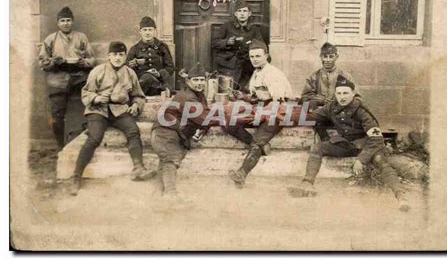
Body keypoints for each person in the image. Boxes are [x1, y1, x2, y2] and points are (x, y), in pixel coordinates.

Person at [288, 75, 410, 212]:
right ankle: (307, 183)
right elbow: (313, 116)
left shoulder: (362, 111)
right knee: (318, 147)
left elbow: (376, 139)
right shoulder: (332, 107)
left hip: (367, 146)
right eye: (339, 93)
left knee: (381, 161)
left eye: (345, 93)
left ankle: (401, 196)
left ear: (353, 94)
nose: (342, 97)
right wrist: (286, 114)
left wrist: (362, 160)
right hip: (348, 145)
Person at [68, 41, 155, 196]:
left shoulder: (130, 73)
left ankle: (138, 168)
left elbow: (138, 96)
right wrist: (96, 98)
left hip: (119, 110)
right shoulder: (98, 71)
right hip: (98, 110)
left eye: (121, 55)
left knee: (133, 131)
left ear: (125, 56)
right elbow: (86, 93)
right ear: (109, 56)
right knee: (94, 138)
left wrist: (136, 105)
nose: (118, 58)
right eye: (114, 54)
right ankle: (76, 176)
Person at [227, 39, 293, 188]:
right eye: (252, 57)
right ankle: (262, 147)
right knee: (229, 122)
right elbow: (258, 96)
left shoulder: (272, 74)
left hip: (277, 113)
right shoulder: (257, 72)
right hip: (262, 108)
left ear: (266, 56)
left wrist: (259, 114)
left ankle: (242, 173)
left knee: (257, 140)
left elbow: (277, 101)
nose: (254, 60)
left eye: (258, 56)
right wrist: (243, 97)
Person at [150, 63, 219, 197]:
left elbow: (203, 114)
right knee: (171, 159)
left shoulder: (198, 94)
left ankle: (159, 192)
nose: (199, 83)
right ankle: (170, 193)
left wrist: (203, 129)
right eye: (195, 80)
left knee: (167, 161)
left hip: (172, 131)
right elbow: (205, 118)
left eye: (202, 80)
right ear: (188, 81)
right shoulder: (188, 96)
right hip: (164, 132)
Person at [38, 6, 96, 149]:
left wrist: (85, 62)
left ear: (72, 22)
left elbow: (92, 59)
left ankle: (86, 143)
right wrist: (53, 62)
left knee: (91, 107)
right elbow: (42, 62)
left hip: (79, 77)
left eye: (68, 20)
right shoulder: (50, 39)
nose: (66, 23)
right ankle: (60, 146)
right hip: (57, 79)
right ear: (58, 23)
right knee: (57, 116)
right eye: (62, 21)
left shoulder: (81, 37)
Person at [211, 0, 264, 90]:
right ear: (235, 14)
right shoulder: (226, 26)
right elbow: (214, 42)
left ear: (249, 13)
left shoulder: (254, 29)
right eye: (239, 11)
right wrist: (228, 42)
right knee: (228, 88)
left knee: (245, 89)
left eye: (245, 11)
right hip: (228, 63)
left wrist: (251, 45)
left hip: (247, 63)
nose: (242, 14)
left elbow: (261, 45)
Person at [127, 16, 175, 96]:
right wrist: (134, 64)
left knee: (149, 79)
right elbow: (127, 69)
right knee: (146, 78)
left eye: (150, 30)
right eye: (144, 30)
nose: (147, 33)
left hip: (159, 83)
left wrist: (159, 74)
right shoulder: (135, 49)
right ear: (140, 32)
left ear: (155, 31)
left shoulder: (162, 47)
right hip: (141, 84)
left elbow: (170, 67)